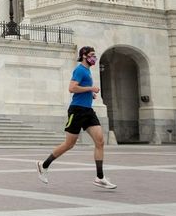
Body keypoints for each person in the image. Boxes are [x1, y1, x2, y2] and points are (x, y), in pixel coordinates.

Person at [36, 46, 117, 189]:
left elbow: (80, 88)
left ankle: (100, 177)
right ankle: (44, 165)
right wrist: (91, 89)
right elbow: (72, 88)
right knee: (69, 144)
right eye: (92, 55)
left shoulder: (87, 71)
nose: (94, 58)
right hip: (77, 111)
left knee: (100, 141)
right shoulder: (80, 70)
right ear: (84, 56)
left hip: (88, 111)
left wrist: (89, 94)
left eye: (94, 55)